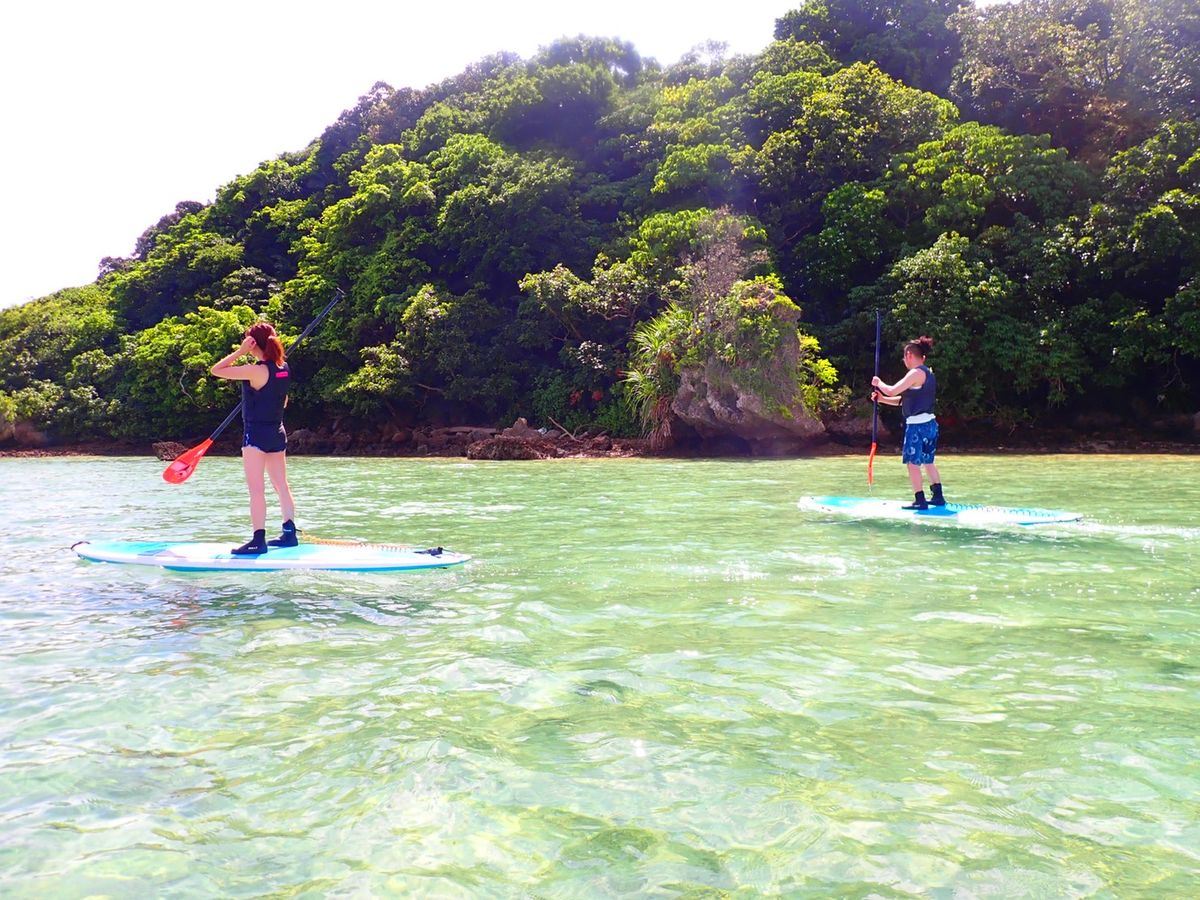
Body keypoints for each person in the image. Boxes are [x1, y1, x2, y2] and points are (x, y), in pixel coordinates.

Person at [210, 322, 298, 554]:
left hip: (256, 436)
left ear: (252, 344)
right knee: (281, 485)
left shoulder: (254, 370)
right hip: (277, 433)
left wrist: (240, 352)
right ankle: (289, 534)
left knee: (256, 490)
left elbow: (216, 370)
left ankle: (258, 541)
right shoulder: (283, 368)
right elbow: (283, 402)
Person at [871, 336, 946, 510]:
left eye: (904, 358)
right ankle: (938, 496)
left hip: (917, 427)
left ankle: (920, 500)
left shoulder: (914, 373)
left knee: (913, 463)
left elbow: (892, 390)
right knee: (928, 461)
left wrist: (878, 383)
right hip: (931, 424)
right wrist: (882, 399)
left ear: (909, 356)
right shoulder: (928, 373)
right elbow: (904, 401)